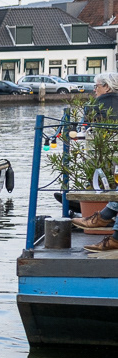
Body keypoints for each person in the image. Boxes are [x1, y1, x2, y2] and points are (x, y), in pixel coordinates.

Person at [72, 73, 118, 254]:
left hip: (102, 160)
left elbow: (84, 129)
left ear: (106, 87)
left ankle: (105, 218)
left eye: (97, 87)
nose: (95, 90)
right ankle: (109, 227)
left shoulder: (93, 106)